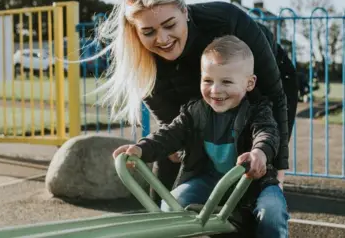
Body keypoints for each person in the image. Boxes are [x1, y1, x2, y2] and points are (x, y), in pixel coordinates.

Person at [93, 0, 298, 205]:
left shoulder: (226, 19)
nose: (162, 38)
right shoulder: (143, 62)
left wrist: (278, 170)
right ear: (136, 32)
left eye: (170, 25)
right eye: (148, 32)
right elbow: (174, 130)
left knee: (249, 173)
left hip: (260, 83)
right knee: (173, 165)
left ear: (185, 12)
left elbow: (274, 95)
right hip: (196, 84)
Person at [113, 35, 289, 237]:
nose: (215, 90)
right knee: (172, 206)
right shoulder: (194, 112)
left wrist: (259, 152)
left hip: (253, 182)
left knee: (273, 212)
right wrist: (142, 148)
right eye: (208, 80)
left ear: (249, 83)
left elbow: (267, 132)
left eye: (226, 82)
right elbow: (169, 134)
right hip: (209, 179)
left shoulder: (257, 111)